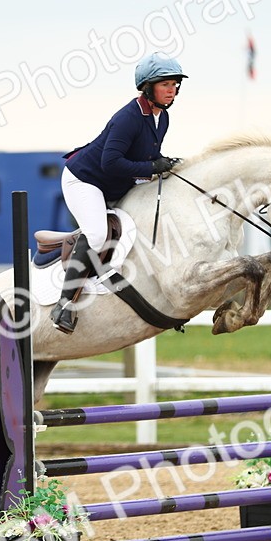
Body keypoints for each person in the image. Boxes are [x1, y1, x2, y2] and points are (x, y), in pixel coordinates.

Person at [50, 53, 187, 333]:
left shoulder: (163, 118)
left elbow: (146, 155)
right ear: (147, 87)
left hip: (114, 183)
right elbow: (110, 162)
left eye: (175, 84)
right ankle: (64, 304)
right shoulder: (128, 118)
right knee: (97, 234)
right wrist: (152, 167)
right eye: (165, 84)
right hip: (85, 180)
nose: (172, 90)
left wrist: (165, 163)